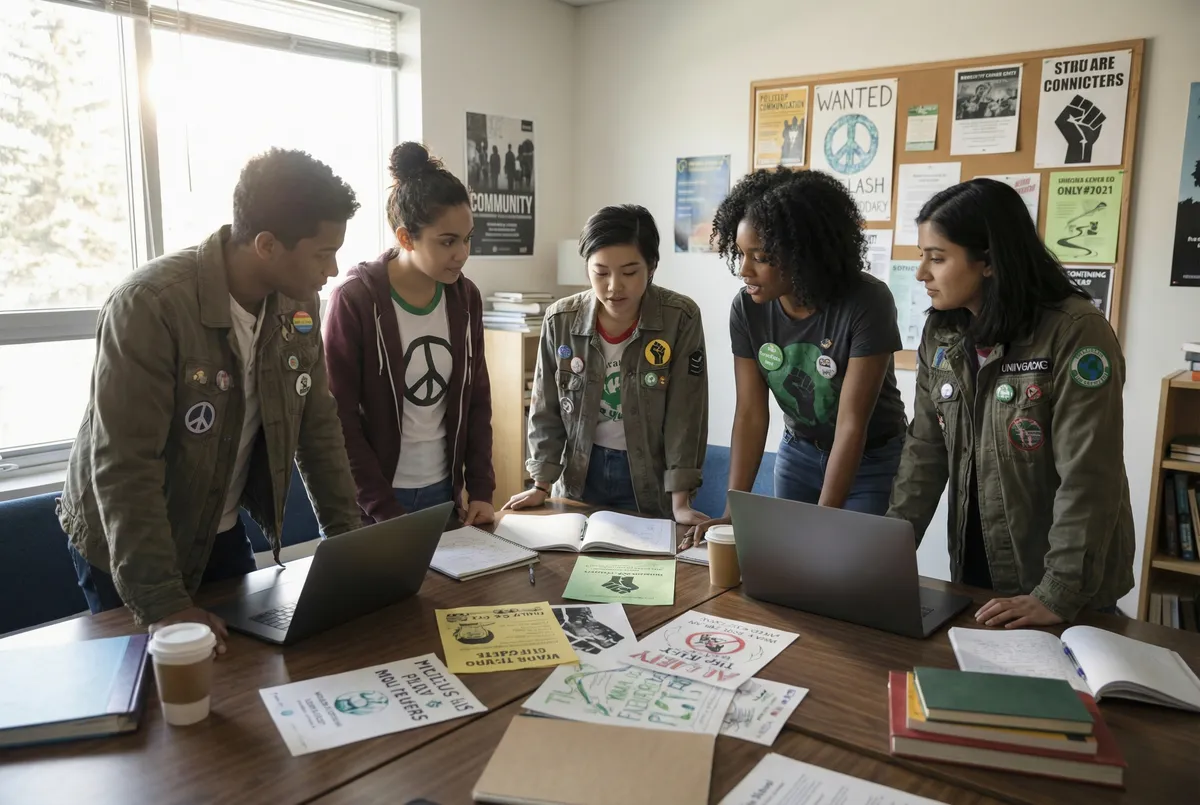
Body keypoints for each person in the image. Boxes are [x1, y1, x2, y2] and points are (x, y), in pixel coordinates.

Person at [58, 149, 364, 652]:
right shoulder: (150, 306)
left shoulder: (298, 304)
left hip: (216, 527)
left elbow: (318, 427)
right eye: (321, 253)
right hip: (127, 540)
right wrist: (163, 604)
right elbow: (125, 467)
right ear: (266, 245)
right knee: (156, 694)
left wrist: (348, 545)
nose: (333, 269)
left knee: (245, 667)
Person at [887, 178, 1135, 627]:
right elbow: (924, 451)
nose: (921, 273)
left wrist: (1057, 593)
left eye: (937, 258)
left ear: (989, 261)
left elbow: (1089, 475)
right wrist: (883, 554)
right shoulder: (942, 332)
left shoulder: (1075, 330)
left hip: (1067, 581)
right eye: (922, 255)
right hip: (978, 563)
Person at [683, 169, 907, 547]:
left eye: (762, 257)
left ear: (805, 255)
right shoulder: (748, 308)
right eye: (740, 253)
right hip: (798, 453)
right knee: (788, 569)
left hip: (871, 460)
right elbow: (751, 414)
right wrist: (731, 512)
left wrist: (822, 519)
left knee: (845, 568)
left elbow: (852, 425)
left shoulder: (867, 302)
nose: (744, 270)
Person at [503, 205, 708, 522]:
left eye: (629, 272)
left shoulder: (679, 318)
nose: (614, 286)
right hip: (579, 475)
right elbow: (546, 408)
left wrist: (681, 503)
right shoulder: (560, 319)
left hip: (648, 479)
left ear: (651, 266)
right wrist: (540, 485)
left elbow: (685, 414)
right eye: (601, 272)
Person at [324, 142, 494, 527]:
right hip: (372, 501)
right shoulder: (355, 300)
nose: (463, 253)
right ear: (405, 238)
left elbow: (477, 398)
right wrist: (385, 510)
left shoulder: (466, 297)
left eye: (467, 238)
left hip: (443, 494)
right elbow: (340, 420)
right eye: (448, 241)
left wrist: (481, 488)